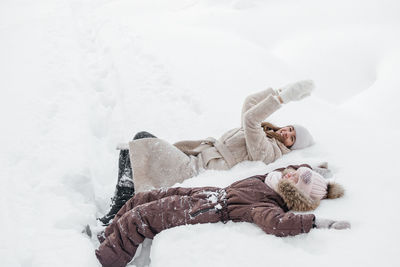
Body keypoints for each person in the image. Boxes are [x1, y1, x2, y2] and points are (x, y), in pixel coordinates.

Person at [99, 80, 316, 225]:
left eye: (293, 137)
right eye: (290, 128)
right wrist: (282, 91)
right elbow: (250, 104)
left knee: (140, 141)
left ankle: (117, 209)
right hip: (194, 156)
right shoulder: (265, 134)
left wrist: (282, 99)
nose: (287, 132)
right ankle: (121, 203)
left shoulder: (269, 152)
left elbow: (251, 119)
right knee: (136, 147)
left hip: (194, 170)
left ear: (291, 147)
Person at [95, 164, 350, 267]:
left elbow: (277, 224)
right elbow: (287, 170)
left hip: (207, 209)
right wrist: (316, 170)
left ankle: (104, 260)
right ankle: (107, 237)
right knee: (143, 198)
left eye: (297, 178)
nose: (292, 173)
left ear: (296, 192)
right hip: (208, 193)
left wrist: (317, 222)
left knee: (141, 217)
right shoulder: (274, 179)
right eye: (297, 170)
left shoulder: (269, 201)